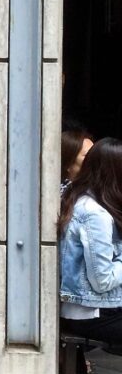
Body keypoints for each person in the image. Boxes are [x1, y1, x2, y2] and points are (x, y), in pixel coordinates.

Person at [59, 138, 122, 343]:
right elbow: (102, 280)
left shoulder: (80, 197)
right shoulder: (95, 214)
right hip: (90, 313)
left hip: (92, 307)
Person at [61, 124, 94, 195]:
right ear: (68, 164)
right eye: (87, 155)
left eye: (94, 152)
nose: (95, 157)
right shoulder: (65, 195)